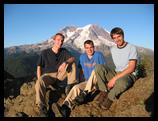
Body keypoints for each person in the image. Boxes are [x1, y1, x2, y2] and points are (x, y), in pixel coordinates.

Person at [73, 27, 138, 111]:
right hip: (116, 72)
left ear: (123, 36)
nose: (117, 39)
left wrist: (114, 79)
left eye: (119, 36)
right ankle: (103, 91)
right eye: (114, 38)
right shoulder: (113, 49)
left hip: (129, 74)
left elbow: (131, 68)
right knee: (98, 67)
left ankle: (110, 97)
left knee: (121, 82)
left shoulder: (131, 48)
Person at [56, 40, 106, 117]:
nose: (89, 50)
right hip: (87, 82)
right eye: (87, 48)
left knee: (96, 69)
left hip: (98, 81)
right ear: (84, 48)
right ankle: (65, 107)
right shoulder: (82, 57)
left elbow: (103, 69)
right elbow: (81, 70)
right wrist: (80, 82)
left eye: (91, 47)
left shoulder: (99, 55)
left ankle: (85, 93)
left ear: (94, 47)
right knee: (76, 88)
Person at [35, 33, 77, 117]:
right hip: (48, 76)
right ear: (54, 40)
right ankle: (42, 107)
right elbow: (39, 67)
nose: (60, 42)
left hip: (60, 75)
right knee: (40, 81)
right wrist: (40, 81)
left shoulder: (64, 51)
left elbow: (73, 58)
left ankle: (70, 87)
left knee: (72, 64)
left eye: (62, 41)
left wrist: (66, 62)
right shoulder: (45, 52)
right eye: (58, 40)